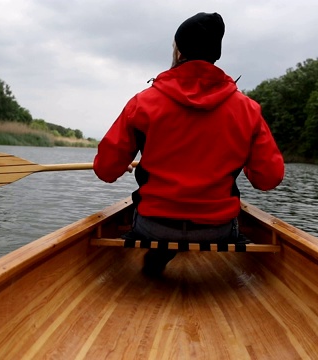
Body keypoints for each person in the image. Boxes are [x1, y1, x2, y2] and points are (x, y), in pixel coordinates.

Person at [94, 12, 284, 276]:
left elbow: (105, 170)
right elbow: (269, 178)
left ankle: (160, 254)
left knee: (149, 218)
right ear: (215, 55)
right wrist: (246, 162)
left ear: (179, 52)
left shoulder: (143, 103)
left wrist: (123, 160)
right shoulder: (248, 109)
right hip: (217, 229)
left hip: (153, 225)